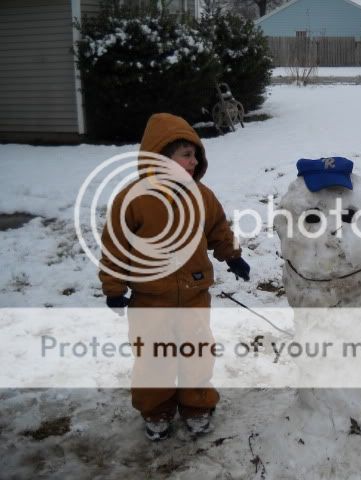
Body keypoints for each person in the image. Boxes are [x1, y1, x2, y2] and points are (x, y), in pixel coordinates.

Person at [99, 113, 250, 441]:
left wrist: (233, 257)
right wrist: (113, 288)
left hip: (195, 292)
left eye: (196, 155)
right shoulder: (133, 198)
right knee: (154, 357)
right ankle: (156, 408)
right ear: (160, 156)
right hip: (150, 298)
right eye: (186, 154)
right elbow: (115, 247)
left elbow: (218, 229)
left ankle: (197, 405)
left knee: (197, 352)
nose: (194, 161)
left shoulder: (203, 195)